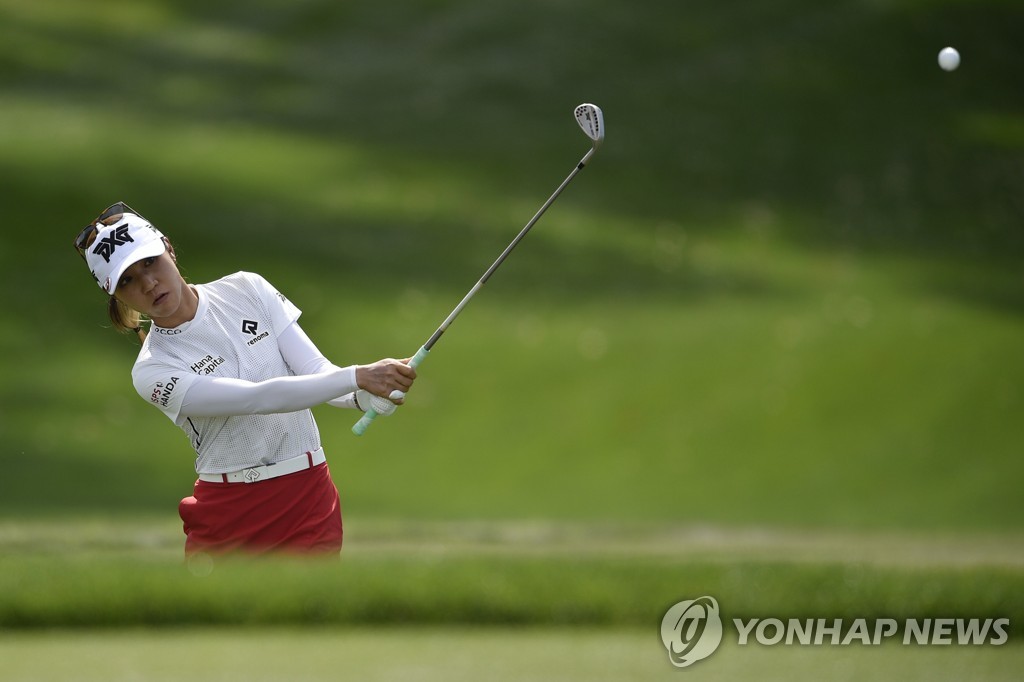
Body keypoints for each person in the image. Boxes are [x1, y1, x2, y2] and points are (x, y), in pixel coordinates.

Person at [73, 201, 416, 557]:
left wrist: (363, 395)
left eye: (150, 262)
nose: (149, 283)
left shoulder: (247, 289)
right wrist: (359, 377)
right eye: (128, 280)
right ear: (116, 295)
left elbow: (317, 372)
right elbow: (258, 399)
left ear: (168, 248)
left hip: (309, 497)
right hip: (229, 512)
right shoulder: (152, 370)